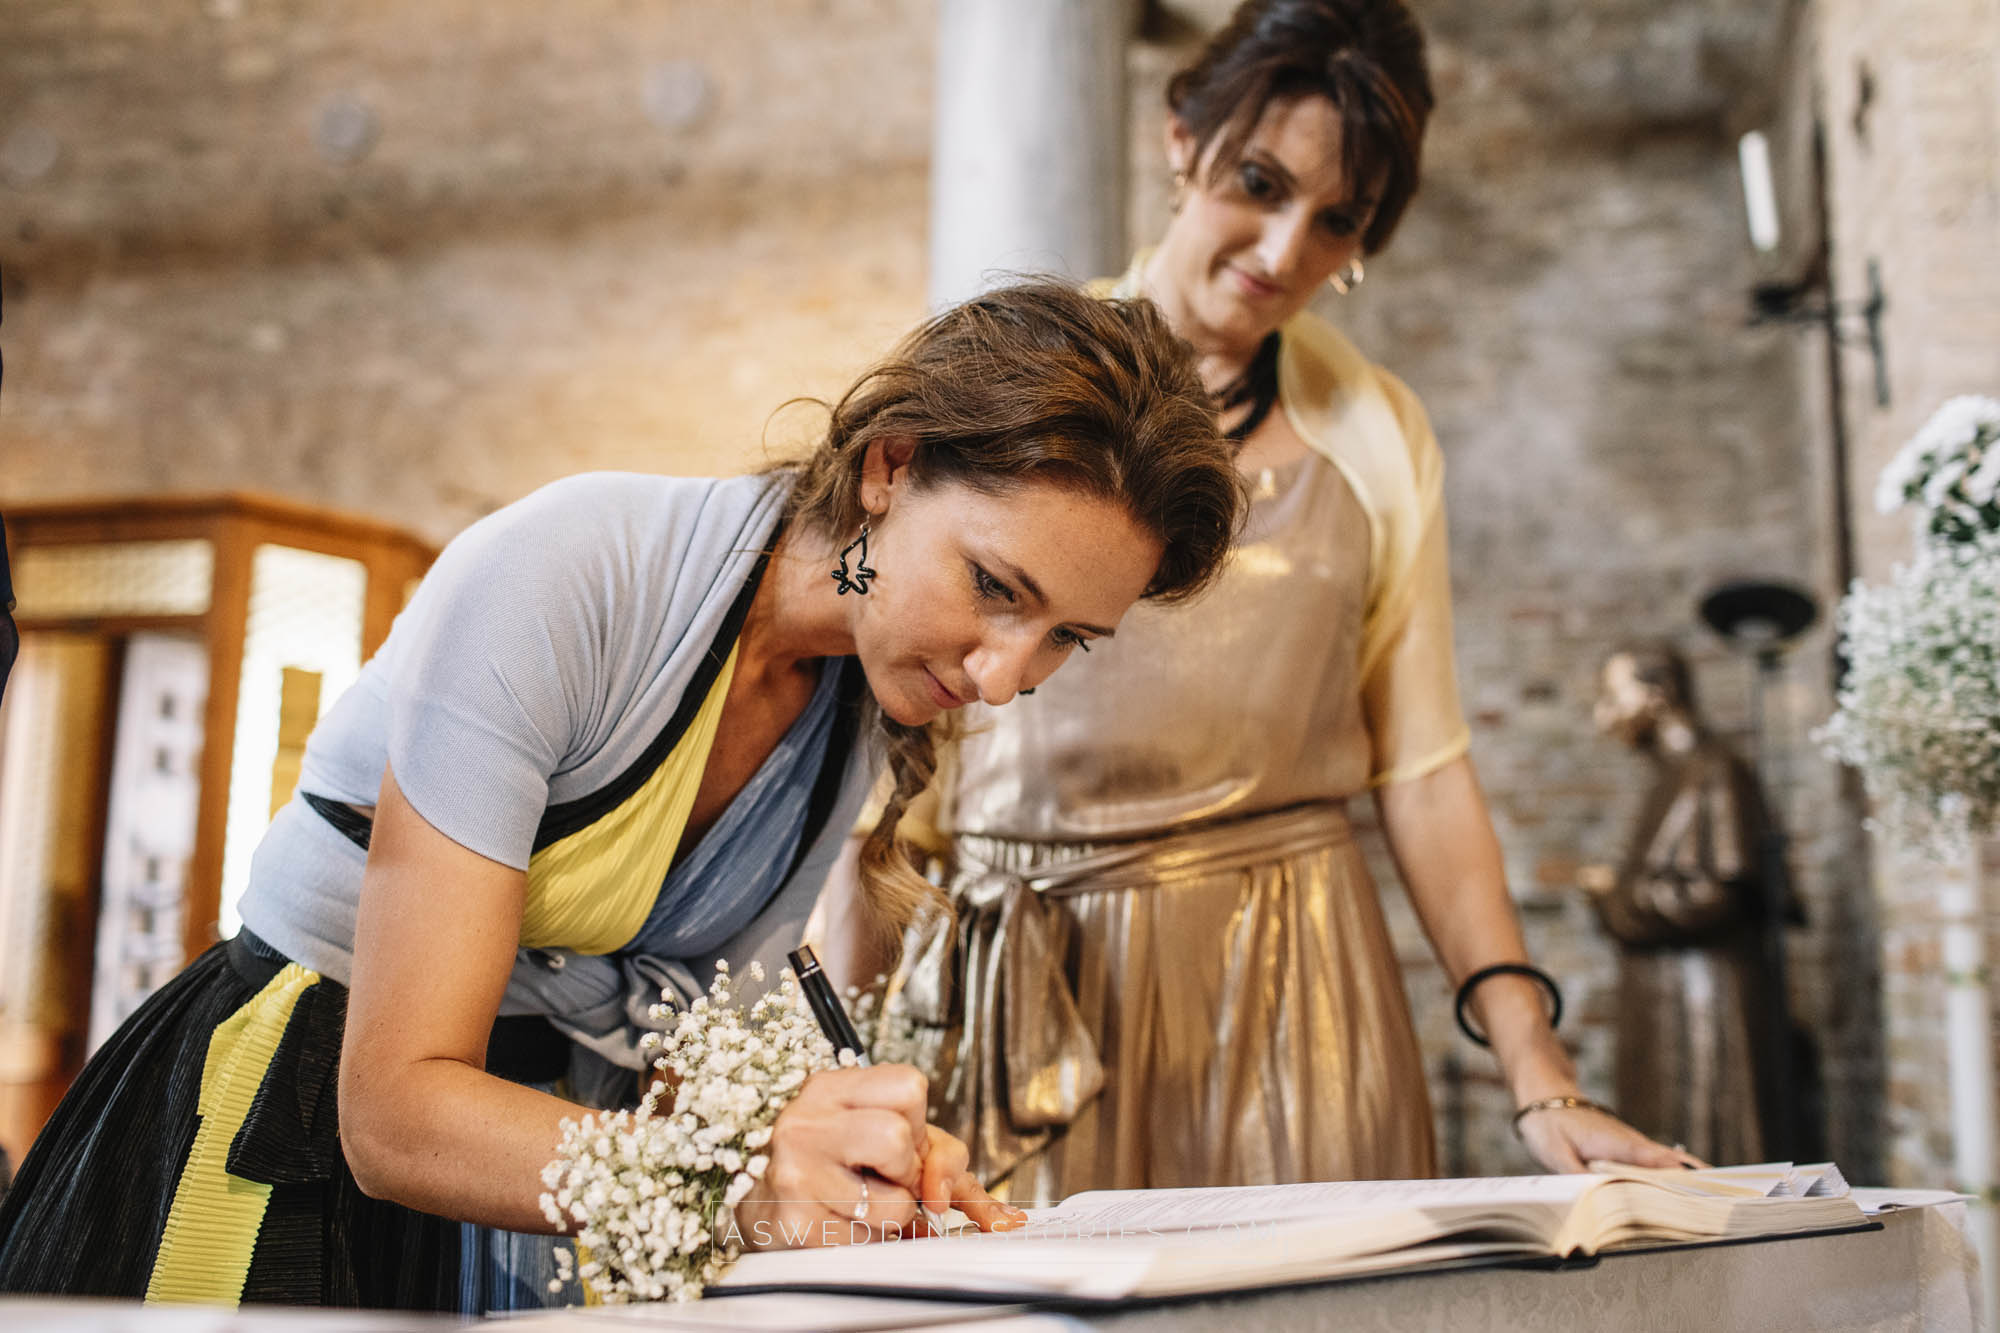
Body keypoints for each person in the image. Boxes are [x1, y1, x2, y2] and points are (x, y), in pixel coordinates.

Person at [0, 279, 1244, 1309]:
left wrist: (846, 1161)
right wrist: (738, 1176)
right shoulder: (560, 575)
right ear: (888, 467)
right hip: (284, 1144)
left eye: (1067, 639)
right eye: (993, 586)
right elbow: (387, 1114)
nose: (1004, 677)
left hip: (529, 1191)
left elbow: (670, 1069)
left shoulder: (855, 713)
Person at [848, 0, 1694, 1202]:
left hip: (1291, 992)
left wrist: (1538, 1074)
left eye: (1335, 221)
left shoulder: (1377, 434)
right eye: (1260, 181)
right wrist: (811, 1073)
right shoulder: (1018, 377)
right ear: (1179, 137)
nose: (1283, 249)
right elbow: (890, 763)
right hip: (1025, 991)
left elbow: (1425, 771)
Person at [1579, 643, 1786, 1166]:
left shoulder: (1713, 769)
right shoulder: (1670, 776)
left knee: (1711, 1155)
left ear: (1656, 694)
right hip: (1665, 997)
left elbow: (1716, 893)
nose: (1604, 715)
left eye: (1613, 695)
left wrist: (1614, 895)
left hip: (1704, 1002)